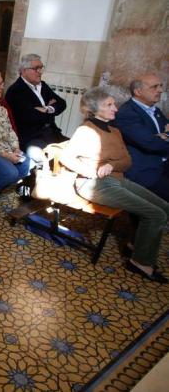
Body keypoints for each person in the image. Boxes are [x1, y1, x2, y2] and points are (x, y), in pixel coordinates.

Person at [60, 87, 169, 283]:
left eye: (114, 104)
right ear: (94, 108)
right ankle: (140, 262)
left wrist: (111, 164)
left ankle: (137, 246)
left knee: (164, 208)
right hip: (94, 184)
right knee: (156, 214)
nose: (115, 109)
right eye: (109, 105)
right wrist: (92, 172)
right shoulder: (86, 130)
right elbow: (67, 157)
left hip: (117, 179)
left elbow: (127, 161)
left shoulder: (115, 131)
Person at [5, 53, 67, 169]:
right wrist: (49, 111)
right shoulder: (16, 91)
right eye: (35, 69)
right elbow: (31, 117)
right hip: (31, 137)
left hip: (52, 132)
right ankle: (40, 181)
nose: (40, 71)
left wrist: (47, 109)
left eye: (41, 67)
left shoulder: (42, 85)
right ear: (24, 71)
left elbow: (62, 103)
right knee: (49, 157)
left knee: (74, 150)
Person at [114, 74, 169, 201]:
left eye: (160, 86)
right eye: (154, 87)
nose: (160, 90)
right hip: (144, 171)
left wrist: (163, 136)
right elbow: (151, 144)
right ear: (138, 91)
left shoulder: (155, 111)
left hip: (162, 164)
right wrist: (166, 135)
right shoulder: (127, 113)